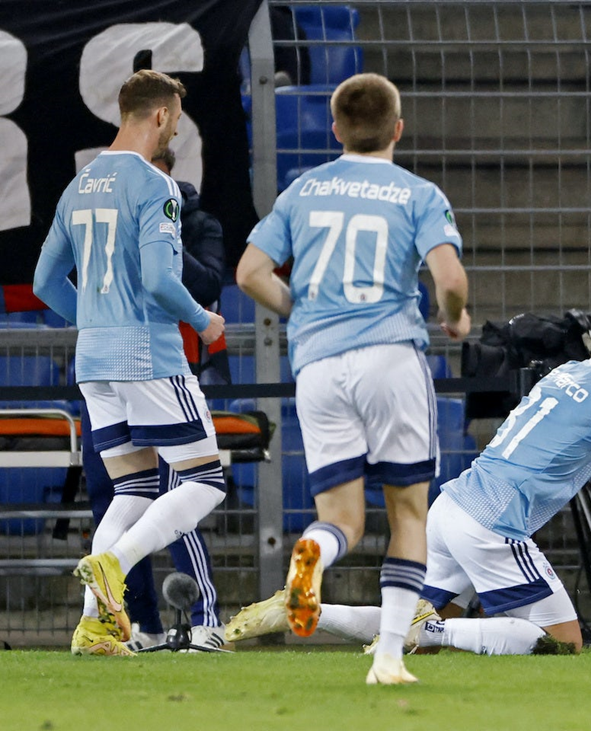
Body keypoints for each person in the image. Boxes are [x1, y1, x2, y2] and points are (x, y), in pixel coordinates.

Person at [226, 312, 591, 659]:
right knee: (562, 641)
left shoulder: (568, 372)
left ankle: (303, 610)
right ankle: (433, 632)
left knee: (417, 615)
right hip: (494, 523)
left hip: (454, 505)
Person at [236, 72, 471, 685]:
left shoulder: (302, 190)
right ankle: (388, 657)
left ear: (336, 129)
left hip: (319, 364)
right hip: (389, 356)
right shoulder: (417, 193)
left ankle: (312, 555)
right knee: (408, 514)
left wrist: (302, 314)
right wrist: (455, 318)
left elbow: (251, 272)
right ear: (398, 128)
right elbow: (449, 280)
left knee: (341, 518)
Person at [33, 69, 227, 657]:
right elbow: (160, 280)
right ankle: (114, 564)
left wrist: (95, 319)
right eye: (176, 120)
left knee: (134, 489)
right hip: (148, 353)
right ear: (162, 115)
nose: (175, 131)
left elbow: (44, 283)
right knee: (206, 481)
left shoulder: (78, 185)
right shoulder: (154, 185)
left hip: (94, 359)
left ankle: (94, 625)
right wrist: (203, 319)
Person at [78, 145, 229, 653]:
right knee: (121, 494)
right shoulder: (108, 215)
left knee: (178, 490)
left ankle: (204, 620)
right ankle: (129, 622)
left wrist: (160, 238)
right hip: (123, 362)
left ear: (166, 176)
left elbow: (207, 281)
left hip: (160, 364)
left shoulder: (196, 222)